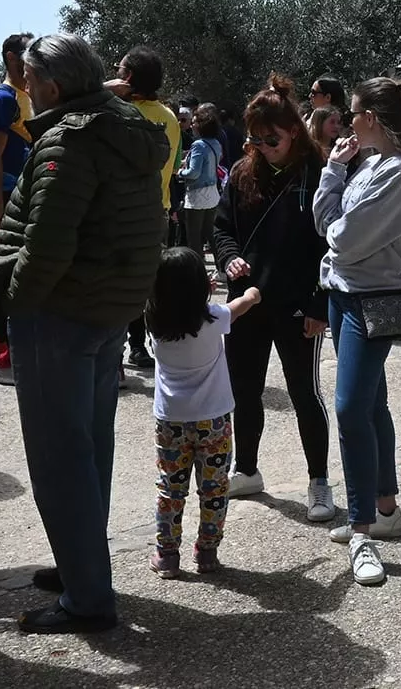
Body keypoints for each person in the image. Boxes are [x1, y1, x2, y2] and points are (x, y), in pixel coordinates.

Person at [0, 34, 170, 632]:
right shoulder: (124, 127)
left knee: (60, 458)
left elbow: (48, 244)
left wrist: (18, 307)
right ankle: (82, 566)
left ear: (52, 86)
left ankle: (86, 596)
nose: (24, 88)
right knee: (89, 449)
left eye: (29, 79)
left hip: (61, 313)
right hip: (107, 310)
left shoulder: (68, 140)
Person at [315, 78, 401, 588]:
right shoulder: (370, 164)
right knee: (369, 405)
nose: (348, 123)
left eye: (354, 113)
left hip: (373, 299)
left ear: (374, 116)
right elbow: (330, 227)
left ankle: (360, 528)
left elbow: (342, 238)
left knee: (351, 407)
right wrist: (332, 171)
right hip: (347, 293)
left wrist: (334, 222)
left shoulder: (400, 173)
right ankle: (384, 508)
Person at [210, 76, 334, 522]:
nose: (263, 146)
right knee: (244, 391)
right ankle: (247, 468)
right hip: (247, 303)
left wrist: (321, 306)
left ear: (294, 131)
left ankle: (319, 481)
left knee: (305, 392)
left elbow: (332, 244)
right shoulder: (243, 172)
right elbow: (222, 228)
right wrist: (229, 260)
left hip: (301, 306)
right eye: (255, 139)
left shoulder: (319, 173)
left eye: (272, 139)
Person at [146, 247, 261, 578]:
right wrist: (252, 293)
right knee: (214, 488)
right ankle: (207, 552)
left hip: (170, 421)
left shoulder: (154, 320)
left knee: (171, 487)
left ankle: (167, 555)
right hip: (214, 421)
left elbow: (175, 295)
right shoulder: (213, 318)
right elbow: (238, 306)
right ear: (203, 287)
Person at [106, 46, 179, 375]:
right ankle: (141, 346)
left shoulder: (118, 111)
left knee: (112, 284)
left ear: (128, 77)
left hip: (119, 213)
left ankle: (114, 358)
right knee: (144, 284)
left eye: (119, 68)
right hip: (156, 213)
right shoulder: (170, 118)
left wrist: (103, 91)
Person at [0, 33, 34, 385]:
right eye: (28, 53)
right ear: (12, 57)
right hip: (5, 199)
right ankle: (1, 357)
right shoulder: (1, 98)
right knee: (1, 277)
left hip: (24, 199)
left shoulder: (27, 96)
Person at [177, 105, 224, 259]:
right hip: (212, 193)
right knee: (211, 233)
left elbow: (194, 173)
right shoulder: (216, 143)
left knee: (194, 237)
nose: (192, 125)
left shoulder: (198, 145)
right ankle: (222, 268)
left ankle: (198, 272)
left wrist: (180, 172)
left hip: (197, 195)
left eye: (195, 122)